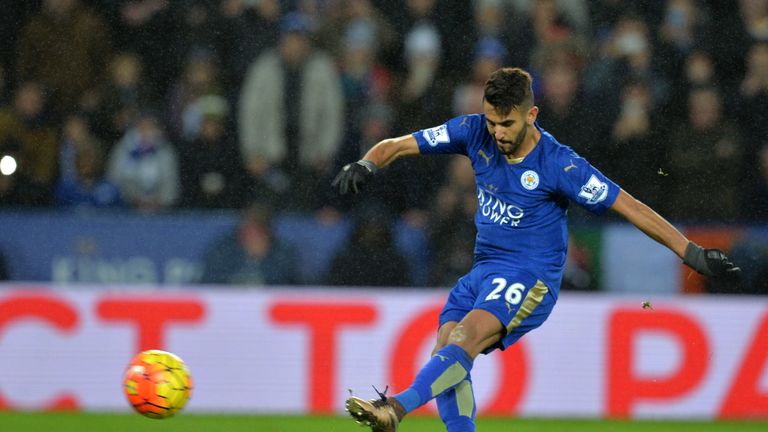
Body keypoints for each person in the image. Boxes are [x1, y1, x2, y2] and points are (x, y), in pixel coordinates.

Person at [331, 67, 740, 432]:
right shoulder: (474, 131)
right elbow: (399, 144)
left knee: (464, 337)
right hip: (483, 272)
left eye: (506, 123)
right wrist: (367, 163)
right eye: (492, 121)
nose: (497, 133)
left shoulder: (560, 165)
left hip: (530, 277)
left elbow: (628, 206)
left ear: (532, 115)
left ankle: (395, 409)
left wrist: (692, 253)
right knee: (447, 353)